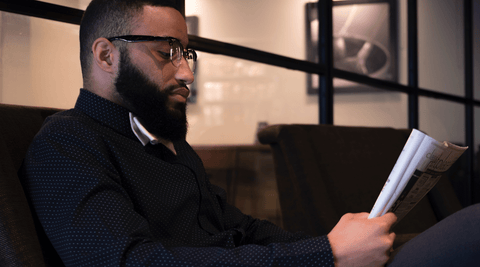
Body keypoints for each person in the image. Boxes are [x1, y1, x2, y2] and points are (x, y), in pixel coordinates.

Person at [19, 0, 480, 266]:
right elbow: (136, 265)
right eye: (166, 53)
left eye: (188, 54)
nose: (187, 74)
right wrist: (325, 256)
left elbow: (241, 229)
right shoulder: (67, 144)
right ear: (105, 56)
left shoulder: (165, 145)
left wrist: (334, 242)